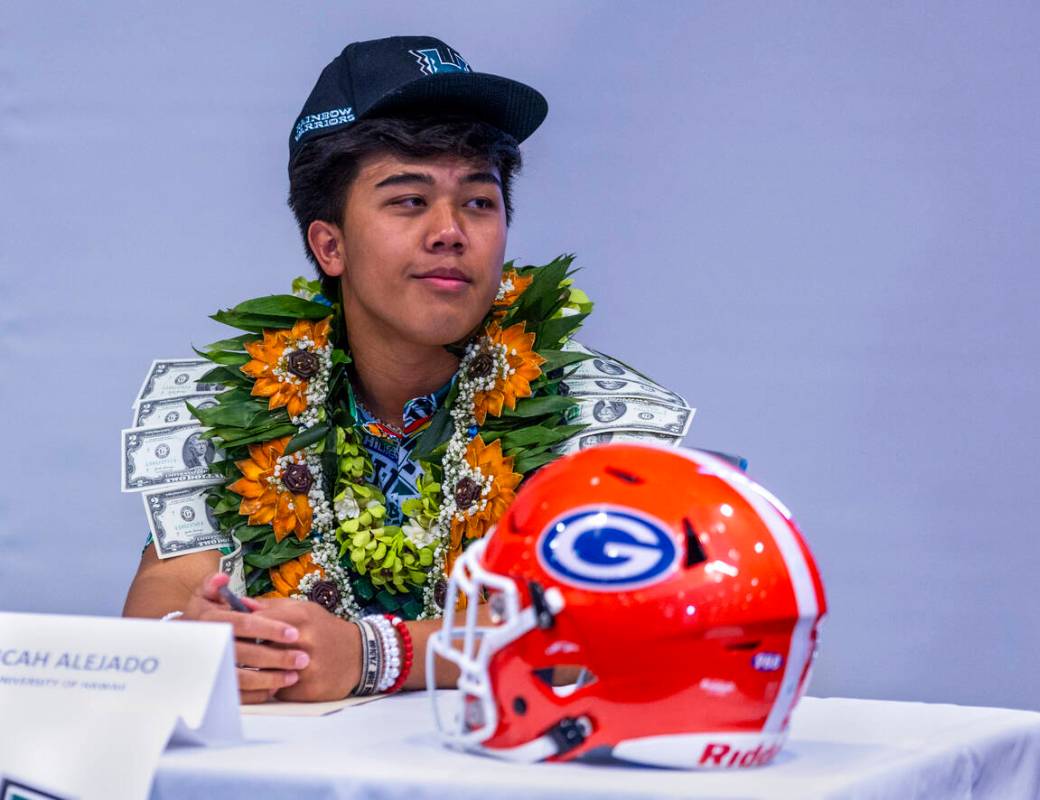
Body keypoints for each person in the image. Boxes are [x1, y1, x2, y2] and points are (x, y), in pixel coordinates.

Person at [122, 35, 698, 704]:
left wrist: (374, 654)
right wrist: (204, 642)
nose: (450, 231)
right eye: (408, 200)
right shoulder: (242, 402)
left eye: (478, 202)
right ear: (329, 244)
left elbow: (620, 625)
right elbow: (159, 607)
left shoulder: (588, 417)